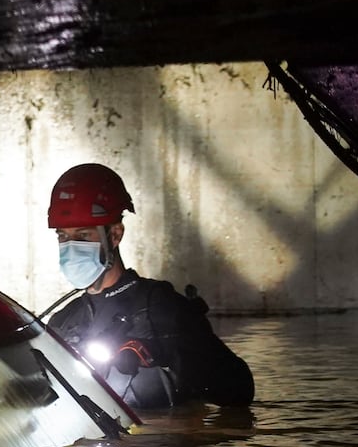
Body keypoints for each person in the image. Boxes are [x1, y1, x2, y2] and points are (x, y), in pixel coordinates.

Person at [44, 163, 255, 409]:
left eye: (83, 236)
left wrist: (167, 353)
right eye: (63, 236)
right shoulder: (63, 321)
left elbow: (240, 391)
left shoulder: (161, 307)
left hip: (162, 444)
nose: (70, 247)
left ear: (114, 235)